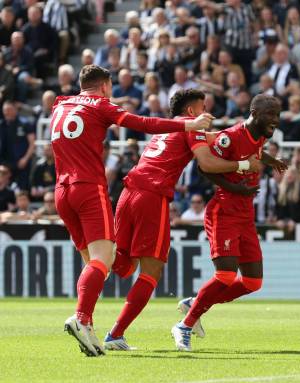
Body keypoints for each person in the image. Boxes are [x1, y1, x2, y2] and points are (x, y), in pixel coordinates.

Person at [53, 65, 215, 357]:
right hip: (98, 188)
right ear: (104, 86)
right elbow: (141, 123)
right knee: (113, 262)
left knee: (102, 262)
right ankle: (88, 322)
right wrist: (189, 126)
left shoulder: (61, 105)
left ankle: (88, 325)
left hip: (65, 191)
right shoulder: (101, 105)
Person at [104, 89, 261, 350]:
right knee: (151, 273)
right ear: (191, 112)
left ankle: (97, 266)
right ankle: (115, 335)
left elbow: (219, 138)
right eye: (203, 107)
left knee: (124, 266)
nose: (206, 113)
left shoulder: (165, 129)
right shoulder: (192, 128)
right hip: (152, 196)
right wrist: (245, 166)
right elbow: (207, 163)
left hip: (127, 193)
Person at [172, 94, 288, 352]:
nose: (275, 121)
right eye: (271, 115)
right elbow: (205, 168)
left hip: (245, 216)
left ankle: (197, 302)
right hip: (223, 211)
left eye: (278, 115)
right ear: (255, 113)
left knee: (252, 282)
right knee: (225, 275)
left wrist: (272, 161)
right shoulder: (230, 136)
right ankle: (184, 325)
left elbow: (256, 152)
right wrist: (236, 186)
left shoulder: (259, 135)